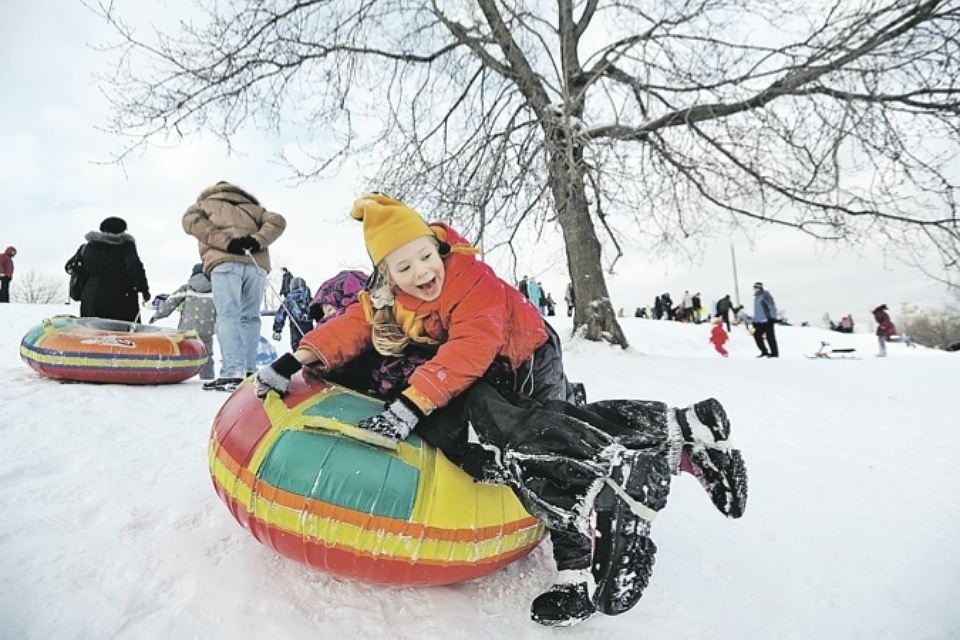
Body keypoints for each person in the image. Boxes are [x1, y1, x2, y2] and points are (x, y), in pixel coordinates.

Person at [255, 194, 748, 627]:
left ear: (438, 246)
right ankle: (686, 430)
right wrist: (292, 359)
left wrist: (410, 405)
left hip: (525, 358)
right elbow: (348, 332)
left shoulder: (472, 280)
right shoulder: (388, 303)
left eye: (426, 257)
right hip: (490, 371)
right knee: (543, 432)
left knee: (540, 441)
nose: (422, 273)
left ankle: (582, 564)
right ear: (386, 275)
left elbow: (470, 347)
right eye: (404, 268)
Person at [182, 181, 286, 391]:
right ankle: (248, 369)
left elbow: (190, 222)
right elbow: (278, 221)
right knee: (250, 316)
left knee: (228, 315)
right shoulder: (254, 209)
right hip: (256, 266)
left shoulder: (203, 204)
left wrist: (227, 242)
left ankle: (233, 372)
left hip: (224, 263)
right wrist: (256, 240)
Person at [150, 264, 216, 381]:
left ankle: (177, 376)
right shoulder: (216, 289)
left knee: (181, 351)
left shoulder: (187, 288)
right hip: (207, 329)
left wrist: (158, 315)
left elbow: (170, 302)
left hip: (186, 328)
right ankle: (207, 378)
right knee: (207, 354)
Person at [77, 217, 150, 321]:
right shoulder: (126, 246)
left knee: (92, 335)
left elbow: (76, 270)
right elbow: (135, 267)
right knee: (125, 335)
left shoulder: (87, 248)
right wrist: (144, 290)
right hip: (122, 298)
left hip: (92, 298)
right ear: (122, 231)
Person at [272, 276, 314, 350]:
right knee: (310, 347)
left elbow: (280, 315)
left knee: (297, 348)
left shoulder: (289, 300)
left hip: (296, 328)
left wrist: (277, 330)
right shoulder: (310, 299)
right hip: (310, 328)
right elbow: (319, 313)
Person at [751, 282, 779, 358]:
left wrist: (773, 318)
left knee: (770, 337)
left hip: (767, 320)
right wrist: (755, 320)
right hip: (760, 322)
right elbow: (757, 311)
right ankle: (764, 352)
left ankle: (774, 353)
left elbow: (772, 306)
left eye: (755, 287)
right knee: (757, 335)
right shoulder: (756, 298)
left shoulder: (765, 295)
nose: (754, 289)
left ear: (759, 288)